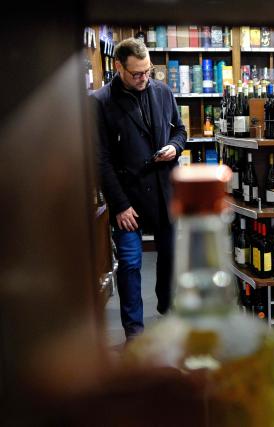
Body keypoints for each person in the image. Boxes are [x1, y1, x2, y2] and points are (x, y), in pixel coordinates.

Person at [92, 37, 186, 340]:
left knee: (171, 258)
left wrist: (174, 147)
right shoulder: (101, 102)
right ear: (118, 67)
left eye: (148, 71)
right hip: (128, 197)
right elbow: (101, 160)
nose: (144, 78)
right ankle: (134, 331)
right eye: (137, 73)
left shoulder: (162, 91)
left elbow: (180, 131)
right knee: (131, 265)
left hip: (164, 192)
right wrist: (118, 205)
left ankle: (167, 308)